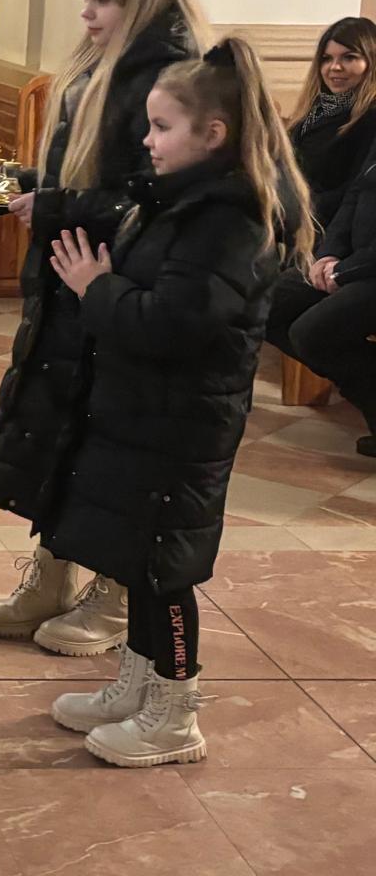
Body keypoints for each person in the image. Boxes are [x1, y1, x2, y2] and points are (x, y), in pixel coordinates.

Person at [40, 38, 313, 767]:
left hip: (182, 420)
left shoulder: (230, 219)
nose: (147, 139)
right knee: (138, 556)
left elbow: (172, 323)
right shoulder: (184, 201)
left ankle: (174, 712)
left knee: (165, 569)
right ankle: (135, 684)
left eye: (162, 127)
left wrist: (96, 289)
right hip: (146, 413)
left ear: (212, 135)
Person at [0, 0, 209, 656]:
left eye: (101, 1)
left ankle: (111, 591)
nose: (87, 14)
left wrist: (53, 209)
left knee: (110, 445)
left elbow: (154, 200)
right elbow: (91, 174)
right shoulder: (106, 64)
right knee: (60, 428)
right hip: (72, 273)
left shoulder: (172, 75)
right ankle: (52, 570)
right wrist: (32, 188)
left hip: (119, 278)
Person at [267, 144, 376, 456]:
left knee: (312, 332)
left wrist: (343, 271)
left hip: (367, 270)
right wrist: (330, 252)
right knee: (268, 304)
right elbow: (356, 193)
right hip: (351, 260)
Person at [283, 16, 376, 229]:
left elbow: (356, 190)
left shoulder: (370, 118)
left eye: (349, 57)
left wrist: (295, 208)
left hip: (327, 233)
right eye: (326, 58)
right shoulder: (314, 110)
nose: (334, 67)